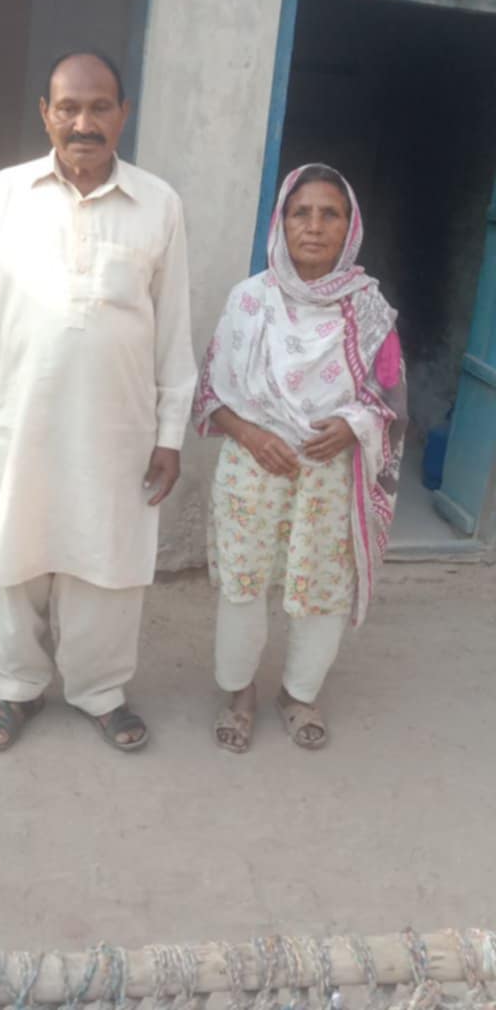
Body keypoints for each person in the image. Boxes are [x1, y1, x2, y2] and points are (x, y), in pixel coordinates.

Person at [0, 52, 196, 753]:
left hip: (117, 429)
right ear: (45, 114)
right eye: (68, 108)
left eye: (99, 107)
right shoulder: (5, 195)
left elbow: (173, 328)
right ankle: (14, 686)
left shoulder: (159, 204)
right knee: (12, 558)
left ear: (123, 113)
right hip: (18, 421)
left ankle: (100, 691)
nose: (84, 123)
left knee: (107, 561)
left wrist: (170, 433)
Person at [193, 164, 406, 753]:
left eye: (329, 214)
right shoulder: (249, 299)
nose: (313, 226)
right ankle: (239, 692)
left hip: (331, 476)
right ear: (280, 223)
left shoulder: (369, 308)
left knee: (323, 588)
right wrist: (250, 434)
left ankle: (299, 693)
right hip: (253, 467)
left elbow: (390, 398)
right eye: (300, 213)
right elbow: (210, 392)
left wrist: (352, 426)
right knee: (244, 584)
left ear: (350, 226)